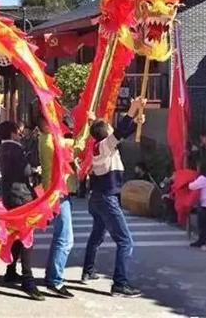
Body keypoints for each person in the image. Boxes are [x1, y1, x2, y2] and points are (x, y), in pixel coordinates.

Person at [81, 97, 146, 298]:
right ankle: (120, 283)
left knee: (97, 235)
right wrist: (132, 109)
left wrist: (136, 122)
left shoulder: (100, 146)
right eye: (109, 127)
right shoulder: (104, 146)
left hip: (98, 198)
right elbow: (119, 133)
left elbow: (121, 133)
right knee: (125, 241)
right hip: (106, 198)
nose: (112, 129)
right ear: (105, 134)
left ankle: (88, 270)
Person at [0, 120, 45, 301]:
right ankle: (28, 279)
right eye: (18, 131)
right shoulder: (15, 149)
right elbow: (25, 171)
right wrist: (34, 168)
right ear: (12, 133)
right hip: (20, 196)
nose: (20, 134)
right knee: (26, 238)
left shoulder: (4, 148)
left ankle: (11, 271)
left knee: (18, 235)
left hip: (10, 196)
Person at [37, 117, 75, 298]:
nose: (57, 124)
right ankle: (54, 280)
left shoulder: (49, 139)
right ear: (45, 125)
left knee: (61, 236)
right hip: (57, 195)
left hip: (59, 193)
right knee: (65, 239)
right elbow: (78, 144)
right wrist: (88, 126)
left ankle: (52, 276)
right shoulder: (49, 141)